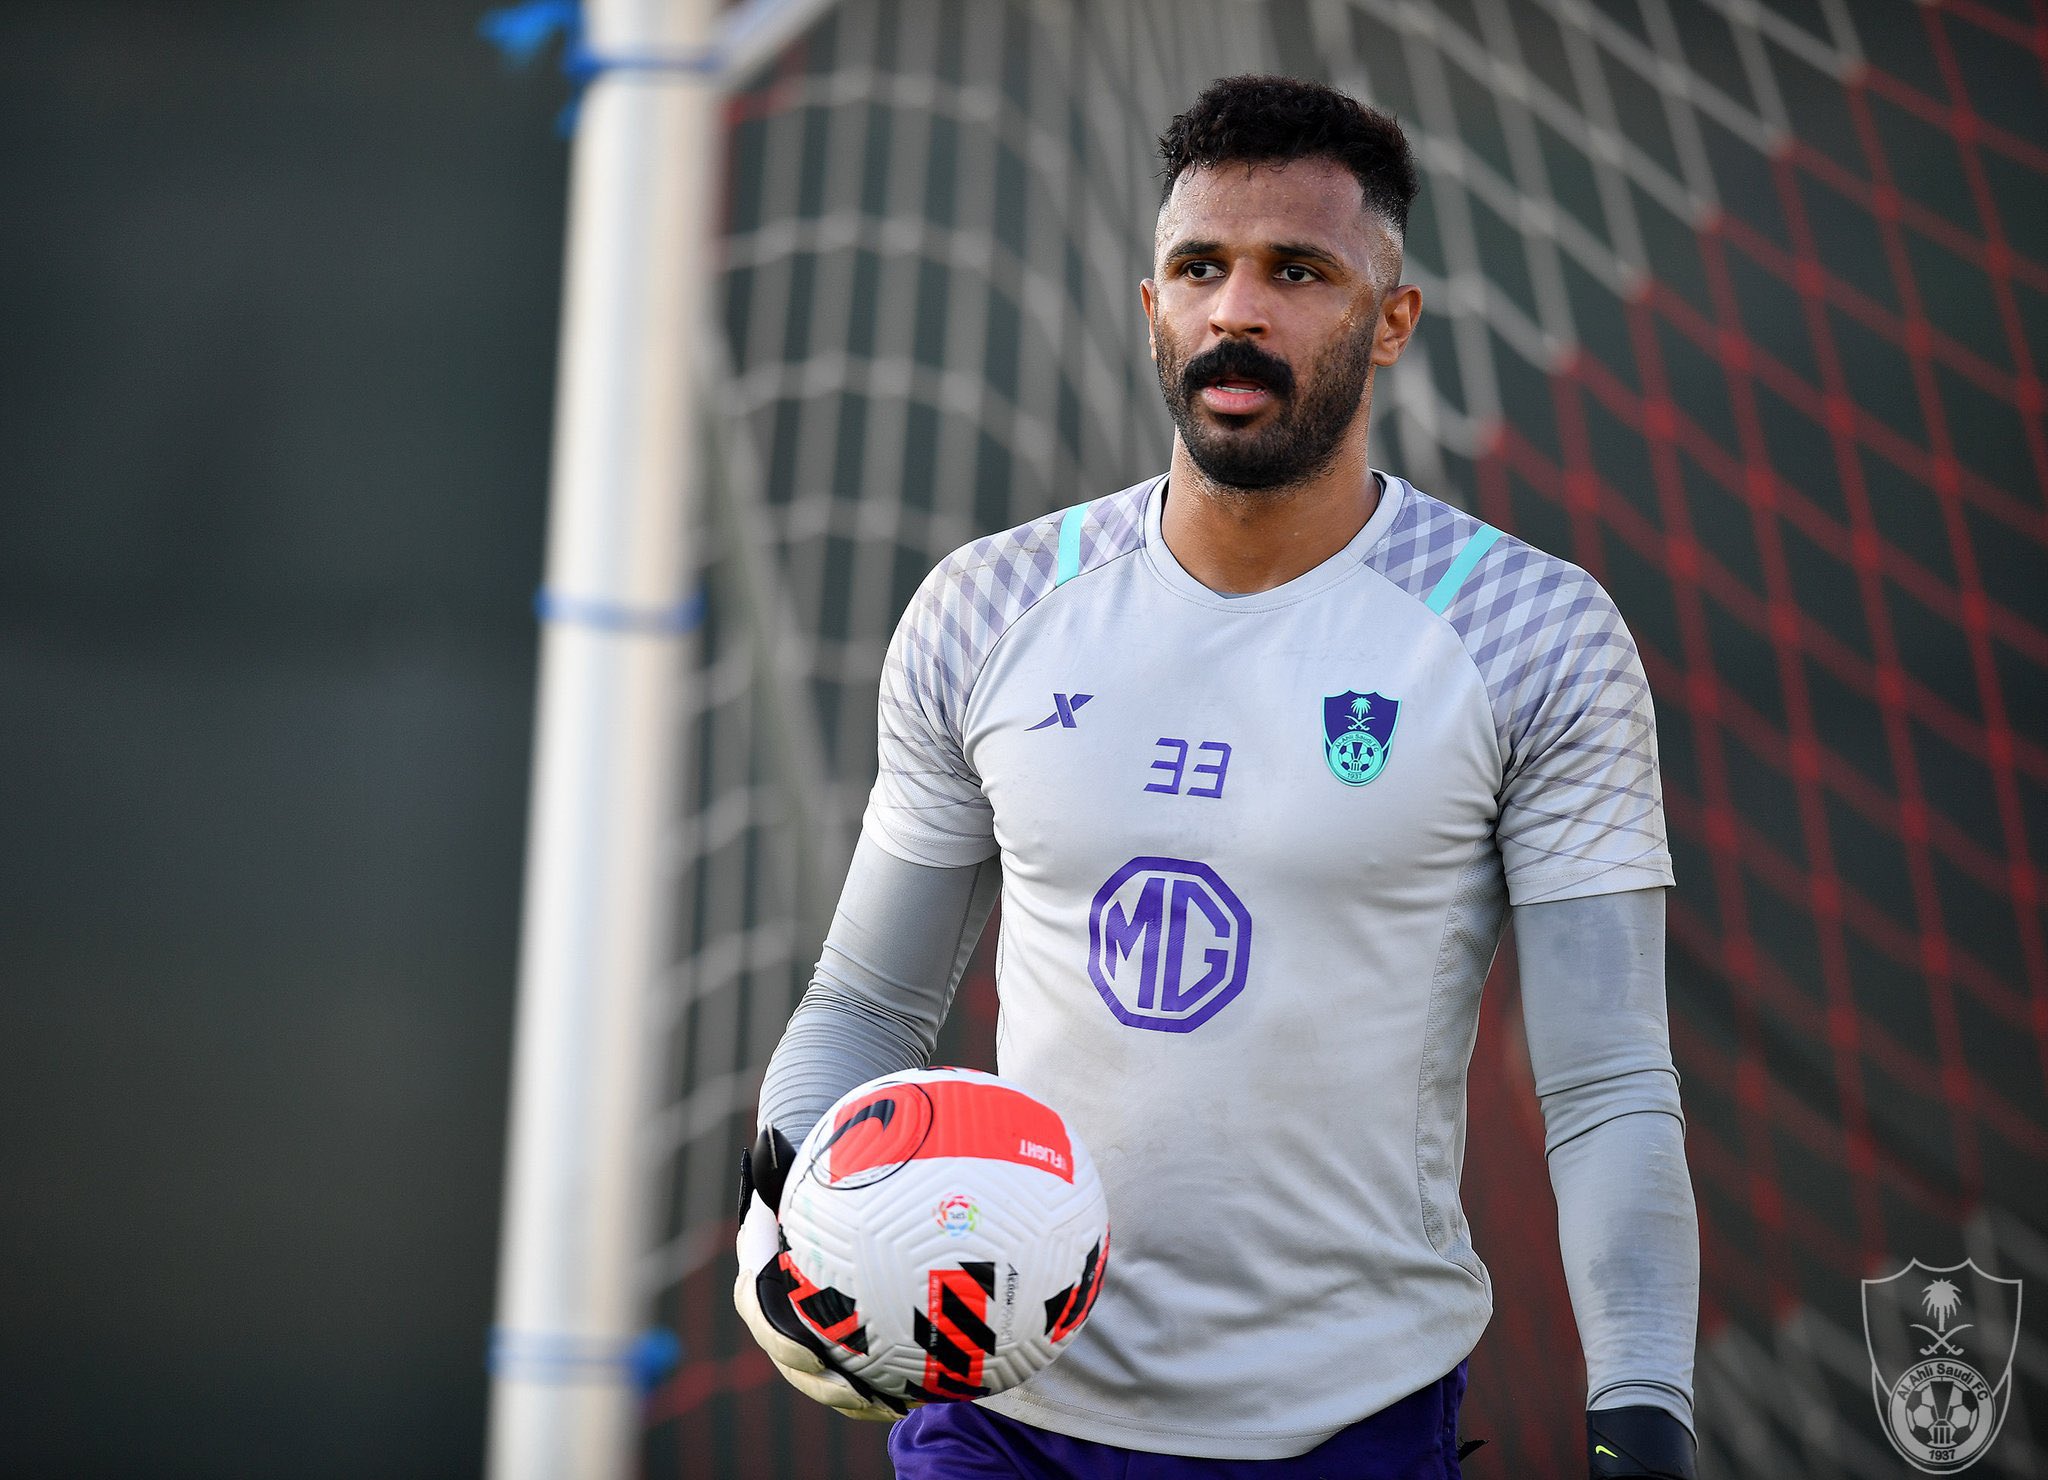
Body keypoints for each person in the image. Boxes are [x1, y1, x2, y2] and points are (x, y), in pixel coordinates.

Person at [733, 74, 1700, 1480]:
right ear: (1152, 308)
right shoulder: (987, 605)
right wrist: (781, 1234)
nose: (1236, 310)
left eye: (1297, 271)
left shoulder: (1531, 633)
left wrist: (1644, 1415)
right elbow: (867, 1005)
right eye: (1201, 268)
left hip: (1347, 1423)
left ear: (1392, 321)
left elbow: (1607, 1081)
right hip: (1003, 1409)